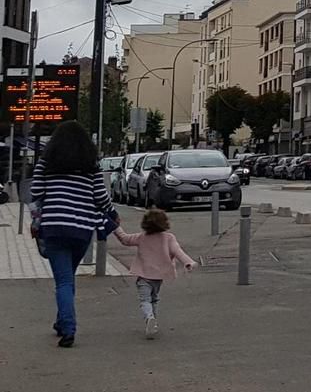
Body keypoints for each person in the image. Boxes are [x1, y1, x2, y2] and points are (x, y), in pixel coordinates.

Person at [27, 120, 113, 348]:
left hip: (54, 225)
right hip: (82, 229)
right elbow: (101, 197)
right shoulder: (90, 166)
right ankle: (61, 321)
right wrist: (112, 213)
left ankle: (68, 329)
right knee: (68, 277)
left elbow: (35, 192)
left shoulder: (46, 163)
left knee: (63, 280)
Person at [113, 207, 196, 339]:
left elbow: (125, 239)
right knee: (154, 299)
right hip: (159, 277)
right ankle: (154, 321)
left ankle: (149, 318)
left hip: (144, 276)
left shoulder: (141, 237)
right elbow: (178, 251)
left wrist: (115, 226)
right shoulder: (169, 238)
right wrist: (188, 262)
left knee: (144, 300)